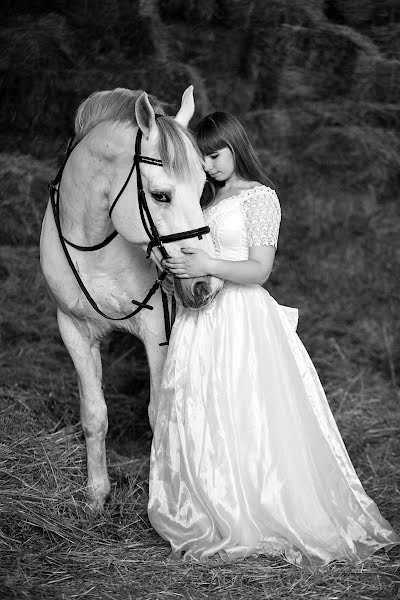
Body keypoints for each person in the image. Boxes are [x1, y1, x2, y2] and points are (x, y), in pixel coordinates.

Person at [147, 111, 399, 567]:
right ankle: (217, 508)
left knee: (250, 413)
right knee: (205, 410)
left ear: (235, 146)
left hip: (243, 317)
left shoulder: (259, 199)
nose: (207, 166)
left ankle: (262, 509)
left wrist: (206, 265)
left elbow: (259, 270)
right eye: (201, 159)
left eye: (215, 155)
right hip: (201, 318)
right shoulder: (202, 201)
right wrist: (178, 268)